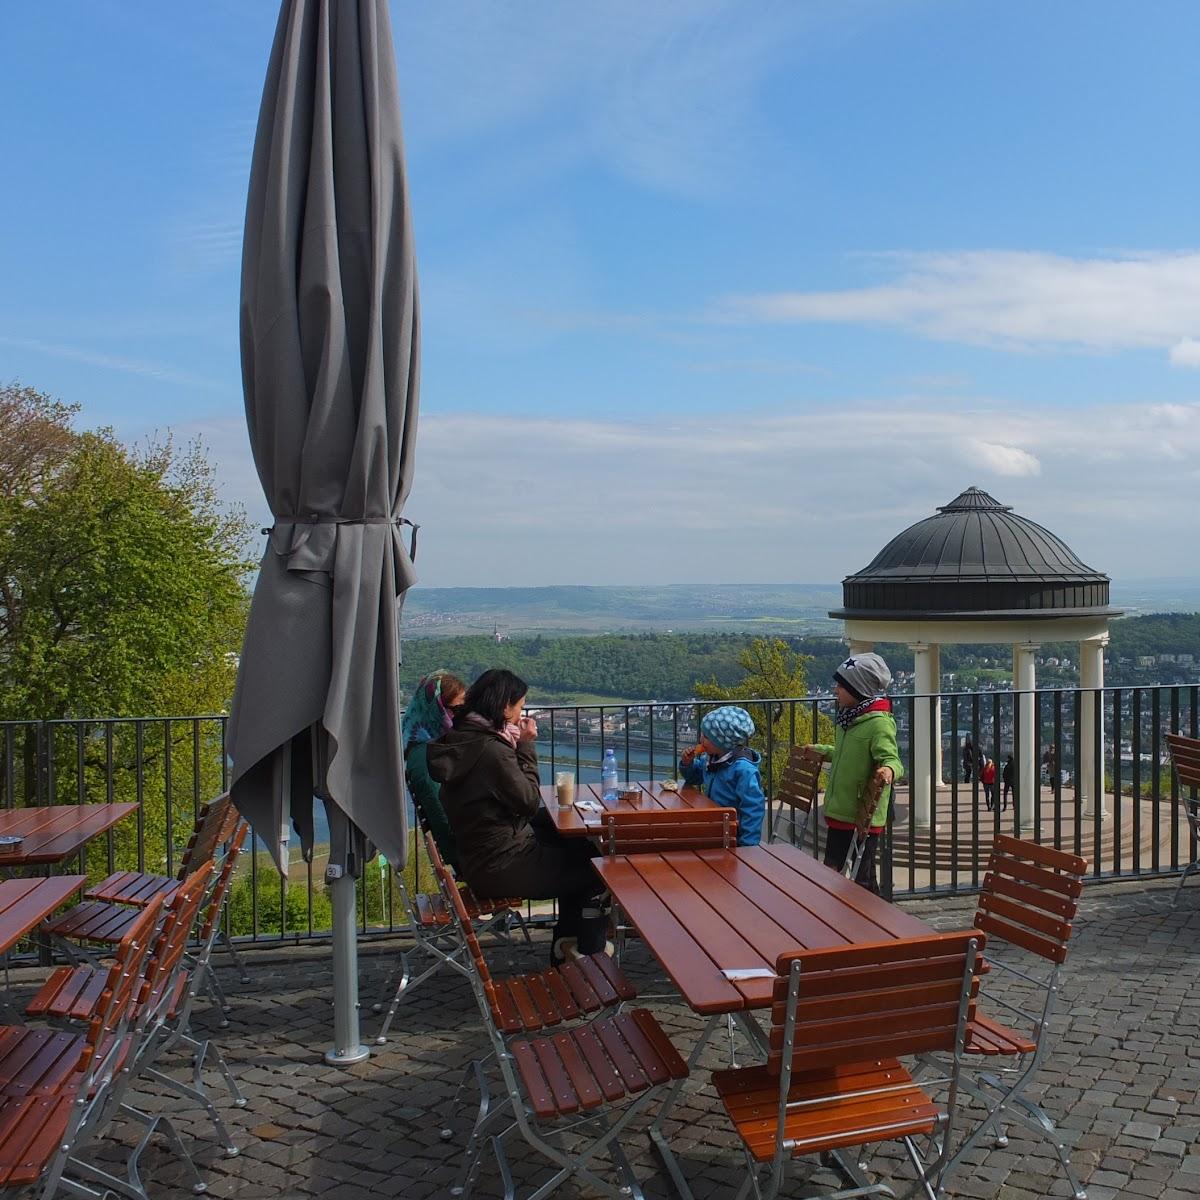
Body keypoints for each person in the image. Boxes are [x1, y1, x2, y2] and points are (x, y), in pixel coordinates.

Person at [426, 668, 608, 963]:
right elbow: (528, 799)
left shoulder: (462, 739)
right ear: (504, 707)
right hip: (502, 865)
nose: (523, 711)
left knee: (577, 847)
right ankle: (590, 959)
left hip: (480, 858)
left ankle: (566, 947)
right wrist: (525, 745)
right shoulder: (490, 751)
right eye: (521, 705)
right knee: (597, 871)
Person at [804, 653, 903, 894]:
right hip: (840, 809)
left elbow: (893, 760)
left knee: (861, 877)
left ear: (857, 689)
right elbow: (844, 754)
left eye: (841, 685)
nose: (836, 690)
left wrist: (888, 770)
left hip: (860, 813)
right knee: (837, 871)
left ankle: (868, 922)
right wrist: (822, 751)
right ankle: (859, 917)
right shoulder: (848, 719)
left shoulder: (878, 723)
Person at [402, 672, 467, 869]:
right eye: (457, 709)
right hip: (470, 859)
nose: (461, 715)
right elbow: (443, 819)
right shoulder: (428, 760)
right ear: (436, 710)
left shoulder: (427, 749)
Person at [679, 706, 766, 846]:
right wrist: (687, 764)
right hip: (714, 828)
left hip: (731, 835)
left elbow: (753, 809)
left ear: (722, 741)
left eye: (706, 736)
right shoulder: (711, 759)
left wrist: (747, 846)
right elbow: (695, 778)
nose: (701, 739)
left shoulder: (743, 770)